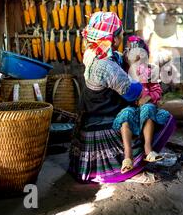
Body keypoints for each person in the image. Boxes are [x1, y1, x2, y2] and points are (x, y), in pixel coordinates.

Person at [69, 12, 176, 184]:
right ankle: (131, 170)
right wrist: (143, 78)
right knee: (157, 116)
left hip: (93, 116)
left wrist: (128, 60)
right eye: (120, 35)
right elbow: (133, 91)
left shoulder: (94, 53)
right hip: (101, 123)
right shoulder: (105, 66)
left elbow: (119, 60)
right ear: (115, 40)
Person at [113, 35, 171, 174]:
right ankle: (128, 157)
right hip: (131, 108)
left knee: (148, 108)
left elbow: (157, 90)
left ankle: (148, 149)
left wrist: (149, 97)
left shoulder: (149, 70)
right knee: (125, 115)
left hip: (146, 108)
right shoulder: (122, 71)